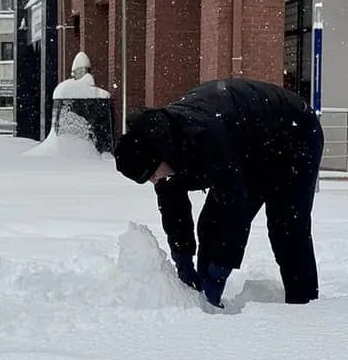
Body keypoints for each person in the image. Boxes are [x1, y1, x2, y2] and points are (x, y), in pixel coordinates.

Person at [114, 78, 324, 308]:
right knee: (211, 224)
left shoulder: (203, 137)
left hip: (293, 133)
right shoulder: (162, 146)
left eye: (152, 174)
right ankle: (205, 298)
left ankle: (303, 305)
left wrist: (221, 270)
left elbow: (235, 207)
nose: (154, 181)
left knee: (287, 225)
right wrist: (182, 260)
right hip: (247, 144)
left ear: (159, 157)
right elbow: (174, 209)